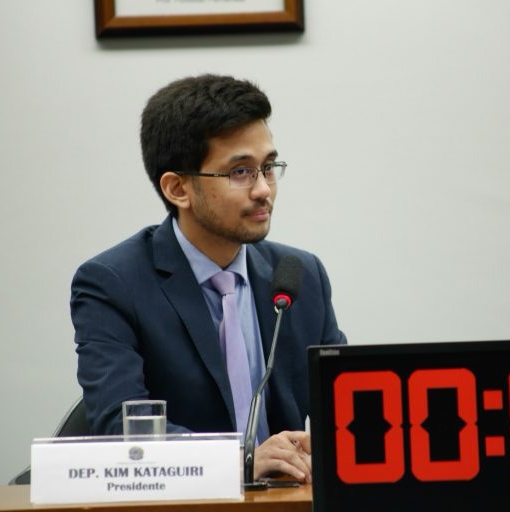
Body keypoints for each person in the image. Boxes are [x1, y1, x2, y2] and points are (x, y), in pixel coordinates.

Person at [70, 74, 347, 483]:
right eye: (241, 172)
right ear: (178, 188)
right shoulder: (112, 285)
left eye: (269, 167)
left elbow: (345, 410)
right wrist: (240, 461)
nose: (263, 190)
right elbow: (120, 429)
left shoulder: (299, 276)